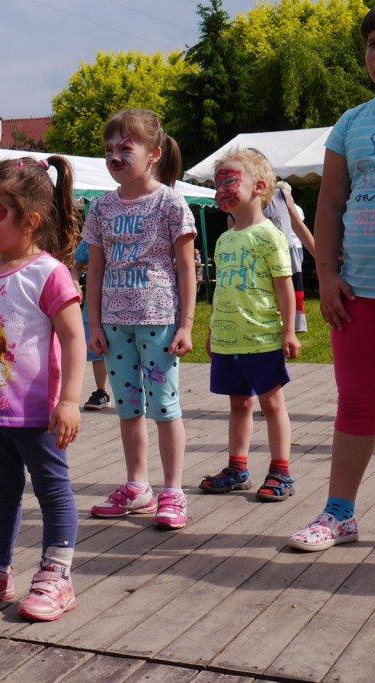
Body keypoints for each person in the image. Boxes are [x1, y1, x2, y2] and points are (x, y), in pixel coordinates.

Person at [0, 156, 84, 621]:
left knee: (53, 490)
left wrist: (69, 401)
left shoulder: (49, 273)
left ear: (30, 221)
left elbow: (73, 337)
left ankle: (56, 575)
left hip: (37, 412)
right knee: (2, 492)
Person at [286, 6, 375, 552]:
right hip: (358, 293)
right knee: (358, 404)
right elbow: (333, 201)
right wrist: (325, 272)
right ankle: (340, 514)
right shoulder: (351, 123)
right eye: (372, 43)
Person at [84, 109, 197, 530]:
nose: (114, 156)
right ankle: (137, 487)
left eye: (124, 148)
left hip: (159, 321)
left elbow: (187, 269)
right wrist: (94, 325)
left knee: (165, 406)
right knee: (128, 408)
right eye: (109, 149)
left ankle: (173, 491)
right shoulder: (100, 208)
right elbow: (95, 271)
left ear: (154, 153)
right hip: (113, 325)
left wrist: (185, 325)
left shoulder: (170, 202)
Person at [200, 149, 300, 502]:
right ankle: (237, 468)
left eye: (230, 181)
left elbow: (284, 286)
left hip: (262, 338)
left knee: (272, 404)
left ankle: (281, 472)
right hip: (229, 340)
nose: (222, 189)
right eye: (218, 183)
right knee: (238, 404)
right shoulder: (225, 239)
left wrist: (289, 330)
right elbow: (220, 289)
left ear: (259, 187)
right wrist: (213, 328)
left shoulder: (269, 235)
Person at [264, 180, 315, 333]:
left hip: (287, 258)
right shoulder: (237, 209)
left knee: (290, 296)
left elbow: (299, 226)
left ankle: (291, 330)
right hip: (260, 264)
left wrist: (321, 260)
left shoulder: (282, 197)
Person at [71, 238, 111, 410]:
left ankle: (142, 390)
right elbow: (76, 267)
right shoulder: (89, 240)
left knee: (131, 347)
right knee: (96, 350)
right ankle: (102, 391)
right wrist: (74, 283)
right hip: (94, 308)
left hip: (122, 307)